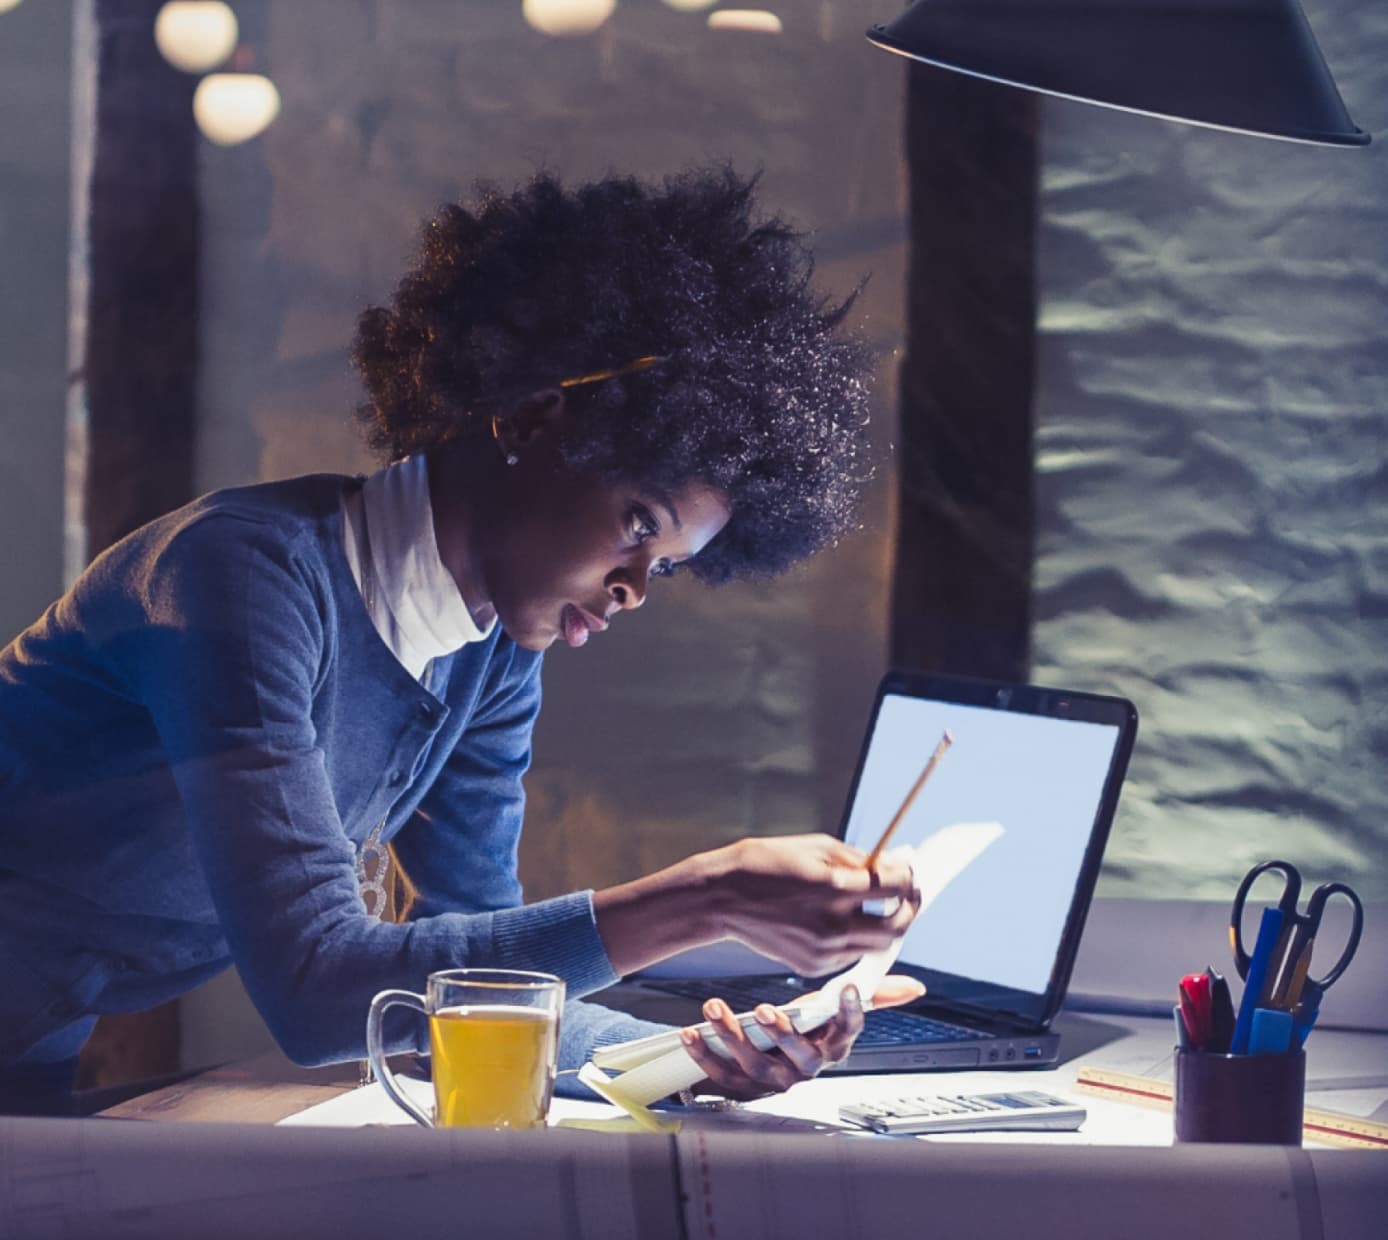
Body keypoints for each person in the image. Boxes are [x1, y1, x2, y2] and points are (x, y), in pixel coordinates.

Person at [0, 167, 922, 1116]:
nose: (638, 588)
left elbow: (471, 995)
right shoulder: (239, 579)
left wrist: (698, 1054)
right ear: (529, 419)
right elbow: (318, 990)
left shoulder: (487, 658)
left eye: (671, 565)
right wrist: (704, 897)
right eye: (641, 523)